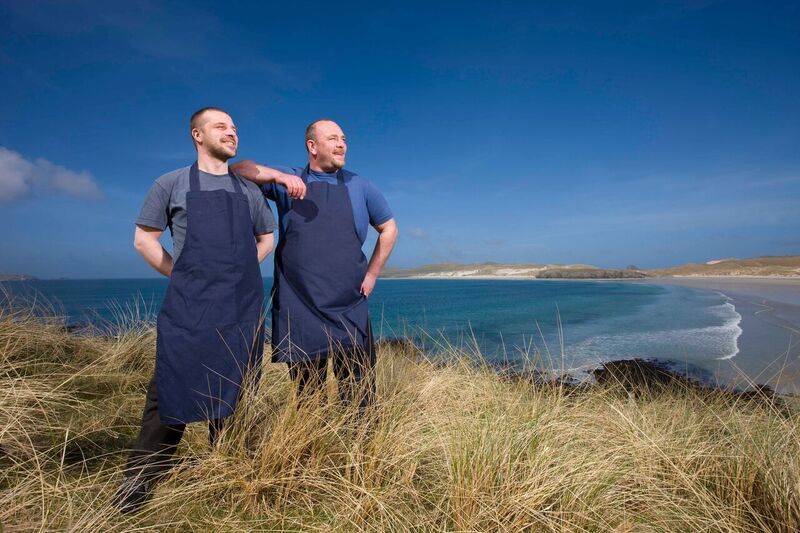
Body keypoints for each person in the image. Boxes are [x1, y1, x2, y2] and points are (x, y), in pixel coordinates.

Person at [113, 107, 276, 513]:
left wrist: (239, 270)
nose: (232, 133)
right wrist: (180, 273)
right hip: (190, 307)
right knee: (169, 391)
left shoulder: (249, 191)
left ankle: (229, 475)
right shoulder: (170, 184)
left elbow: (267, 237)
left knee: (238, 391)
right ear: (197, 135)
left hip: (241, 307)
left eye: (235, 128)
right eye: (221, 127)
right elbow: (143, 239)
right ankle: (139, 485)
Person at [231, 119, 398, 413]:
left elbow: (390, 229)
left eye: (344, 138)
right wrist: (279, 178)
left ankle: (361, 450)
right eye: (333, 138)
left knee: (359, 388)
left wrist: (372, 274)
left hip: (350, 301)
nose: (341, 144)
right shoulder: (290, 178)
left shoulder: (361, 185)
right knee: (309, 392)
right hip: (300, 302)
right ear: (312, 146)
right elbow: (238, 169)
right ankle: (312, 448)